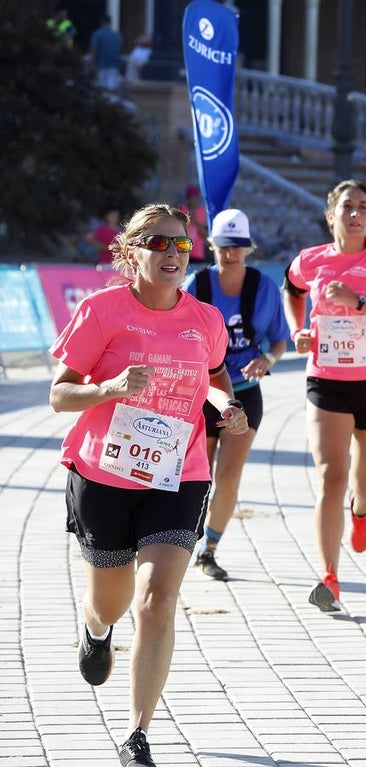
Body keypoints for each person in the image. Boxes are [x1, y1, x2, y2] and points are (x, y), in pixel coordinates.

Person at [48, 203, 246, 766]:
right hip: (105, 475)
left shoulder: (204, 319)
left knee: (157, 600)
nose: (172, 254)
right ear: (131, 250)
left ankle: (137, 733)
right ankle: (95, 625)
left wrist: (226, 404)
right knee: (110, 603)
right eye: (158, 244)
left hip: (176, 474)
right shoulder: (101, 311)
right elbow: (59, 395)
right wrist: (108, 388)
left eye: (181, 245)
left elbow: (214, 375)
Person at [284, 179, 366, 613]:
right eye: (347, 206)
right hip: (327, 379)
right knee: (330, 477)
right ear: (331, 214)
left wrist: (360, 303)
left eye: (362, 207)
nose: (355, 213)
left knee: (364, 482)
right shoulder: (312, 260)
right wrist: (297, 330)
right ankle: (329, 575)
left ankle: (361, 510)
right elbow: (292, 287)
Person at [185, 209, 291, 582]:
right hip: (201, 393)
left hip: (244, 392)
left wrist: (266, 359)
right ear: (211, 245)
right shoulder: (195, 285)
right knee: (196, 475)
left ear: (248, 248)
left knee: (229, 475)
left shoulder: (263, 287)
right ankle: (184, 539)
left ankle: (209, 549)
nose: (229, 254)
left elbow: (280, 339)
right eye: (223, 247)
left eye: (237, 247)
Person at [88, 15, 123, 92]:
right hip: (114, 66)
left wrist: (91, 65)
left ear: (102, 22)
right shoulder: (117, 35)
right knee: (112, 91)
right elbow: (119, 52)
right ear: (110, 23)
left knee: (101, 91)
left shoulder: (97, 34)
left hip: (101, 66)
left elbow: (93, 50)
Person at [183, 186, 209, 264]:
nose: (192, 200)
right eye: (190, 197)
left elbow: (205, 235)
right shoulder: (182, 210)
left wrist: (195, 221)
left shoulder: (201, 212)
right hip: (183, 251)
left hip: (197, 254)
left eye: (194, 197)